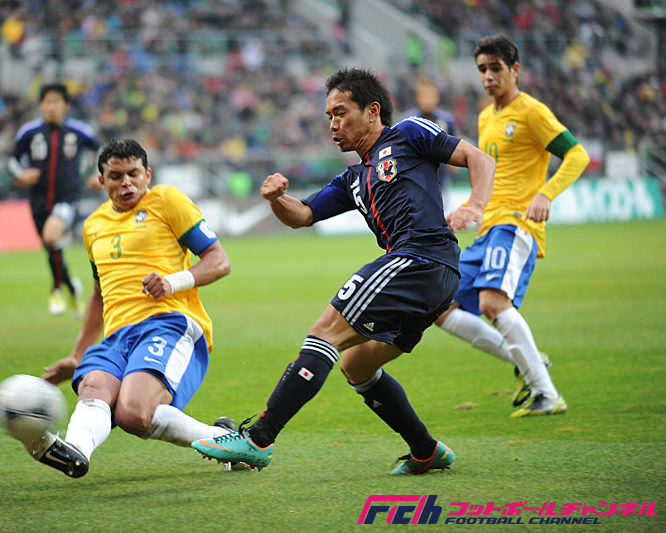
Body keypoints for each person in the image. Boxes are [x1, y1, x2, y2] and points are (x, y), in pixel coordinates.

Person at [192, 68, 495, 474]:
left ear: (372, 111)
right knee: (357, 366)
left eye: (340, 113)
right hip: (429, 276)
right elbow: (302, 215)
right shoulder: (352, 178)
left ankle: (259, 439)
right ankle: (426, 450)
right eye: (329, 116)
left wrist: (475, 205)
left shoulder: (408, 133)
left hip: (420, 258)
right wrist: (277, 199)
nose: (333, 124)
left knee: (326, 331)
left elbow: (479, 158)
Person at [25, 139, 235, 478]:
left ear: (147, 174)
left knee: (132, 413)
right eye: (116, 176)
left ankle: (226, 442)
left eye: (134, 174)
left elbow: (219, 261)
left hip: (168, 323)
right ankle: (74, 451)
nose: (126, 183)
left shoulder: (167, 200)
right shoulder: (93, 225)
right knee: (94, 387)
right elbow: (100, 292)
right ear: (101, 181)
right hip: (117, 337)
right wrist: (77, 355)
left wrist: (171, 282)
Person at [434, 34, 589, 417]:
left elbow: (576, 154)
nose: (488, 76)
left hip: (516, 223)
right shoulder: (486, 117)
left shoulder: (532, 111)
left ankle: (547, 394)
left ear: (515, 69)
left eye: (496, 68)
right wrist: (472, 206)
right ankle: (530, 362)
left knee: (492, 302)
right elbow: (491, 174)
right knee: (440, 306)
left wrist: (546, 194)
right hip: (488, 227)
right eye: (482, 69)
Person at [8, 82, 102, 317]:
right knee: (52, 249)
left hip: (67, 198)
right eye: (47, 102)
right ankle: (72, 288)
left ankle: (56, 290)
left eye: (56, 102)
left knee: (51, 236)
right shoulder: (29, 132)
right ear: (41, 105)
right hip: (38, 201)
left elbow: (102, 150)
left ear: (66, 105)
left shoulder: (79, 131)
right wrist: (21, 174)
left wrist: (98, 173)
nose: (52, 107)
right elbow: (12, 159)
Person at [399, 79, 457, 195]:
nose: (428, 100)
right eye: (424, 96)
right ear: (417, 97)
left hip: (441, 175)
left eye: (431, 96)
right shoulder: (407, 121)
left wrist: (453, 163)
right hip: (415, 174)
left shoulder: (446, 120)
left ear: (437, 97)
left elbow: (454, 143)